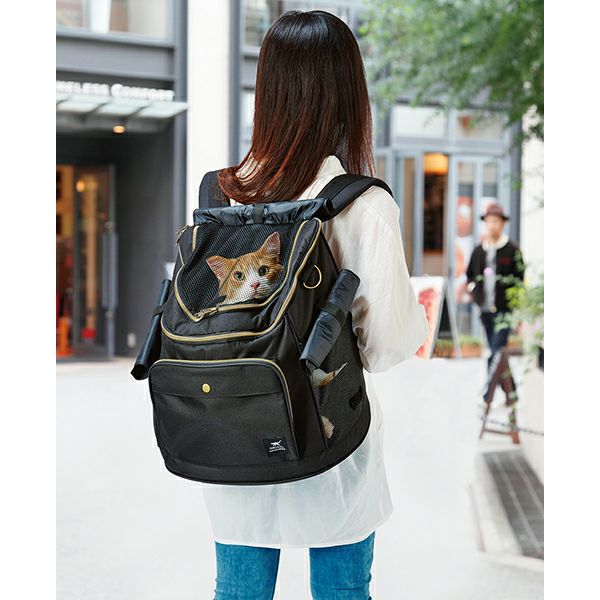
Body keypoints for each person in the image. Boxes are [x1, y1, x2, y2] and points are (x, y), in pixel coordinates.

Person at [201, 10, 429, 600]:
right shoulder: (360, 203)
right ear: (348, 93)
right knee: (342, 591)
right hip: (332, 441)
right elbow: (387, 347)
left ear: (267, 91)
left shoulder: (218, 194)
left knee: (238, 592)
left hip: (233, 434)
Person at [466, 202, 525, 374]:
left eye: (496, 221)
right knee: (497, 350)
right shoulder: (479, 250)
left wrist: (517, 309)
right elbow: (470, 274)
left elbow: (519, 280)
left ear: (503, 223)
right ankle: (509, 388)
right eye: (489, 221)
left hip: (504, 310)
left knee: (496, 350)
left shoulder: (512, 250)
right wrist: (474, 291)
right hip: (485, 309)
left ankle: (488, 388)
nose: (492, 225)